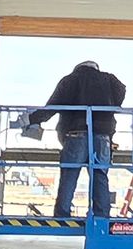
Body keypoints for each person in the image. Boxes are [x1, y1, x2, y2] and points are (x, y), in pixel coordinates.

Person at [26, 59, 125, 218]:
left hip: (76, 134)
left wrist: (32, 120)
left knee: (70, 174)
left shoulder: (70, 80)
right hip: (102, 136)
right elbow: (120, 93)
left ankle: (62, 214)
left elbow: (52, 106)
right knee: (100, 174)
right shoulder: (110, 80)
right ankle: (101, 215)